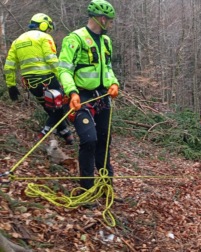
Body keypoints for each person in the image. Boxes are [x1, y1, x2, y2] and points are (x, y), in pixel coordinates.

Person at [58, 0, 119, 190]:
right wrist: (72, 92)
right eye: (109, 20)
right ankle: (86, 188)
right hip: (82, 97)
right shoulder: (75, 38)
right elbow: (64, 69)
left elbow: (107, 68)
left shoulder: (106, 41)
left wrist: (114, 82)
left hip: (102, 97)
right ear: (101, 19)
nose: (110, 24)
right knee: (89, 139)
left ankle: (105, 187)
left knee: (103, 141)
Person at [3, 13, 74, 145]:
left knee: (50, 108)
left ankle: (66, 135)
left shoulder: (17, 41)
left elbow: (9, 66)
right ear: (44, 24)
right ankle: (44, 132)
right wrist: (64, 79)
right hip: (48, 80)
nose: (48, 31)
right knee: (62, 106)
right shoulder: (44, 37)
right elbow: (52, 61)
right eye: (48, 28)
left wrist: (11, 85)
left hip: (32, 85)